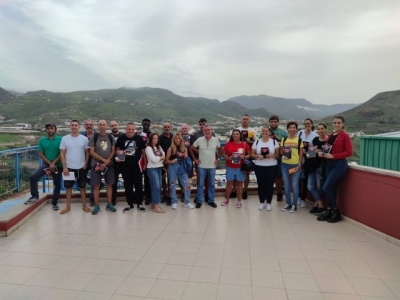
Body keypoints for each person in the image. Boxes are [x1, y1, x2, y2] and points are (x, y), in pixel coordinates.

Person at [317, 116, 352, 223]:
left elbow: (349, 152)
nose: (336, 124)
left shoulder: (344, 136)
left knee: (326, 187)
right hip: (329, 164)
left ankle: (336, 212)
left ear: (343, 124)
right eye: (335, 122)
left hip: (339, 164)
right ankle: (329, 210)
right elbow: (327, 149)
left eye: (338, 123)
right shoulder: (330, 136)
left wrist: (334, 156)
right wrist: (321, 152)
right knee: (331, 188)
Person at [26, 123, 62, 211]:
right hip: (46, 164)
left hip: (58, 164)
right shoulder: (42, 141)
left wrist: (54, 163)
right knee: (33, 177)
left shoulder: (61, 139)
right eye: (48, 128)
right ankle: (34, 196)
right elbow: (40, 154)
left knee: (57, 184)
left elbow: (62, 153)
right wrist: (50, 164)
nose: (50, 130)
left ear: (55, 129)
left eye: (52, 128)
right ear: (46, 130)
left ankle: (54, 203)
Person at [59, 120, 91, 214]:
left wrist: (85, 164)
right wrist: (64, 167)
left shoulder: (84, 139)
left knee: (82, 187)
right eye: (72, 125)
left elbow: (87, 153)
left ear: (79, 127)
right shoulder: (65, 139)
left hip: (81, 167)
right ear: (70, 127)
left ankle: (84, 205)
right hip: (69, 167)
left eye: (76, 125)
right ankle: (68, 206)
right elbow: (62, 153)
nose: (74, 127)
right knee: (68, 187)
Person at [115, 122, 147, 213]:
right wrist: (117, 157)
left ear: (135, 130)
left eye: (132, 129)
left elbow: (143, 151)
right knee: (127, 185)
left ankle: (140, 203)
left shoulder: (138, 138)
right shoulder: (121, 138)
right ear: (126, 129)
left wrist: (145, 163)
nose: (131, 131)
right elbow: (117, 149)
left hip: (137, 166)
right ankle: (129, 203)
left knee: (139, 185)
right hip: (125, 166)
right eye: (129, 129)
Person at [89, 120, 117, 215]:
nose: (102, 126)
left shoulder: (110, 137)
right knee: (96, 185)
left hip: (109, 165)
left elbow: (113, 151)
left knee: (109, 184)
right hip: (96, 165)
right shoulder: (94, 137)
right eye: (100, 125)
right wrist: (103, 161)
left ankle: (109, 204)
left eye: (104, 125)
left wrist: (106, 162)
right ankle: (97, 205)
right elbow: (92, 152)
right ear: (97, 126)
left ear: (107, 126)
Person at [189, 125, 221, 208]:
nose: (207, 131)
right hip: (201, 166)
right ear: (203, 132)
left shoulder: (215, 140)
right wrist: (195, 160)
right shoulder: (199, 140)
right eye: (205, 130)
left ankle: (211, 200)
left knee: (211, 184)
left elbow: (221, 149)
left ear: (211, 131)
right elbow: (191, 148)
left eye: (208, 130)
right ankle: (199, 201)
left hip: (212, 166)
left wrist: (218, 159)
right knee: (200, 184)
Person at [251, 127, 280, 211]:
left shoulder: (274, 142)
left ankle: (269, 203)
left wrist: (273, 156)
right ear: (261, 132)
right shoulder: (257, 142)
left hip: (272, 165)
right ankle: (261, 202)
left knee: (270, 185)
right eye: (263, 131)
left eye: (266, 131)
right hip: (259, 165)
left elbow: (278, 154)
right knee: (261, 184)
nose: (265, 132)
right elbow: (252, 154)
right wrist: (257, 156)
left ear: (269, 132)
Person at [220, 129, 250, 208]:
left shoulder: (244, 144)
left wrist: (244, 157)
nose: (235, 135)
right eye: (234, 134)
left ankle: (239, 201)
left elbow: (249, 154)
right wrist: (227, 158)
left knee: (240, 184)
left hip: (240, 167)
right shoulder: (228, 144)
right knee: (229, 183)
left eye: (237, 134)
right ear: (232, 136)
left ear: (240, 135)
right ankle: (227, 199)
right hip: (230, 166)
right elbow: (223, 153)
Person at [165, 133, 195, 209]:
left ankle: (187, 202)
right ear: (173, 139)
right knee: (172, 185)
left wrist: (186, 156)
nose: (177, 140)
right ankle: (174, 201)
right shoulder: (170, 149)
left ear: (181, 139)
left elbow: (186, 158)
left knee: (187, 185)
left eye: (179, 138)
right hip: (172, 168)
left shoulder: (184, 148)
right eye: (176, 138)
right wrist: (171, 162)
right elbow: (166, 161)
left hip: (182, 168)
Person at [280, 121, 303, 213]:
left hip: (295, 165)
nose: (292, 129)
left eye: (294, 127)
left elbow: (301, 153)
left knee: (295, 185)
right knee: (287, 185)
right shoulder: (284, 139)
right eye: (290, 127)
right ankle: (288, 203)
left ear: (296, 129)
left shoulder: (299, 140)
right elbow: (281, 151)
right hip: (284, 164)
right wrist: (283, 155)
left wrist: (299, 164)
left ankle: (294, 205)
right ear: (288, 129)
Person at [192, 118, 216, 203]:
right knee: (200, 181)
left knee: (209, 181)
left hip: (210, 162)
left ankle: (208, 196)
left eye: (204, 124)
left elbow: (216, 146)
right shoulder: (195, 134)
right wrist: (197, 153)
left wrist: (217, 159)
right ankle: (199, 198)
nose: (202, 126)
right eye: (200, 124)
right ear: (199, 125)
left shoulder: (212, 134)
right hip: (200, 161)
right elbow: (192, 147)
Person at [235, 114, 257, 200]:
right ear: (241, 120)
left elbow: (255, 142)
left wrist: (249, 141)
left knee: (247, 172)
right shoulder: (237, 130)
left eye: (246, 119)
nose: (245, 120)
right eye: (243, 119)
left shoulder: (253, 130)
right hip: (237, 154)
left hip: (248, 154)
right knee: (236, 172)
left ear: (249, 121)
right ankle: (236, 190)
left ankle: (245, 191)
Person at [307, 123, 328, 215]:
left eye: (322, 128)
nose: (320, 131)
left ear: (326, 129)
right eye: (318, 129)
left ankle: (316, 205)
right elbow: (309, 155)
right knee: (310, 186)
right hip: (313, 165)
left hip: (322, 166)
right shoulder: (315, 140)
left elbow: (328, 154)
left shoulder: (328, 141)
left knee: (320, 187)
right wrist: (314, 152)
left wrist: (322, 153)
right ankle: (321, 205)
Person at [297, 118, 318, 208]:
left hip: (309, 159)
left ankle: (303, 198)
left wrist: (307, 153)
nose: (307, 125)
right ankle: (297, 196)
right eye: (305, 124)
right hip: (299, 158)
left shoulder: (315, 135)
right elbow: (296, 146)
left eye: (308, 123)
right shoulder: (300, 133)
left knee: (305, 179)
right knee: (297, 178)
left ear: (312, 124)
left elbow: (314, 149)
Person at [268, 115, 288, 201]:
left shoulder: (283, 132)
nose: (273, 123)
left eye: (275, 121)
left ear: (278, 122)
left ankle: (279, 193)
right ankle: (267, 194)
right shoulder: (265, 132)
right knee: (268, 177)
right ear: (269, 123)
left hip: (280, 157)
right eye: (271, 121)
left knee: (279, 177)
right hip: (268, 158)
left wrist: (279, 140)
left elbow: (288, 143)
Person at [145, 133, 166, 213]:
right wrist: (160, 158)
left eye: (157, 138)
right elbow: (154, 159)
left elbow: (164, 156)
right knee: (156, 187)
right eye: (154, 138)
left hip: (158, 168)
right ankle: (155, 204)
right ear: (150, 139)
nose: (156, 140)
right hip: (151, 169)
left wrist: (160, 158)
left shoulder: (159, 147)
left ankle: (155, 204)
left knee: (159, 186)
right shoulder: (148, 148)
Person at [80, 119, 97, 207]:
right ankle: (96, 183)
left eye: (91, 124)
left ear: (93, 126)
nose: (89, 126)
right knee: (80, 177)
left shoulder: (97, 135)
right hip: (83, 160)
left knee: (94, 179)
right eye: (87, 125)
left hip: (94, 160)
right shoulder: (81, 135)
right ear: (84, 126)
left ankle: (92, 198)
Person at [110, 120, 124, 206]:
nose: (114, 127)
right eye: (112, 126)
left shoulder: (123, 135)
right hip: (113, 162)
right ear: (110, 127)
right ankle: (114, 198)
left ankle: (130, 197)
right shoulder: (108, 136)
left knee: (127, 180)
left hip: (123, 162)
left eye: (115, 125)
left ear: (118, 125)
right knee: (114, 181)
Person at [138, 118, 152, 205]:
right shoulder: (138, 135)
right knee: (138, 179)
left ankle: (148, 196)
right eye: (144, 124)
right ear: (142, 124)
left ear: (149, 125)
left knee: (147, 179)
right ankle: (139, 196)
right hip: (140, 159)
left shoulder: (152, 134)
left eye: (147, 124)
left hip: (149, 160)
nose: (146, 125)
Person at [159, 122, 173, 205]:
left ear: (170, 128)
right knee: (163, 179)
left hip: (172, 162)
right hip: (163, 162)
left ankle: (170, 196)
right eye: (165, 127)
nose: (167, 128)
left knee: (171, 179)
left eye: (168, 127)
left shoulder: (174, 137)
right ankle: (165, 195)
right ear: (163, 128)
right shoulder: (160, 138)